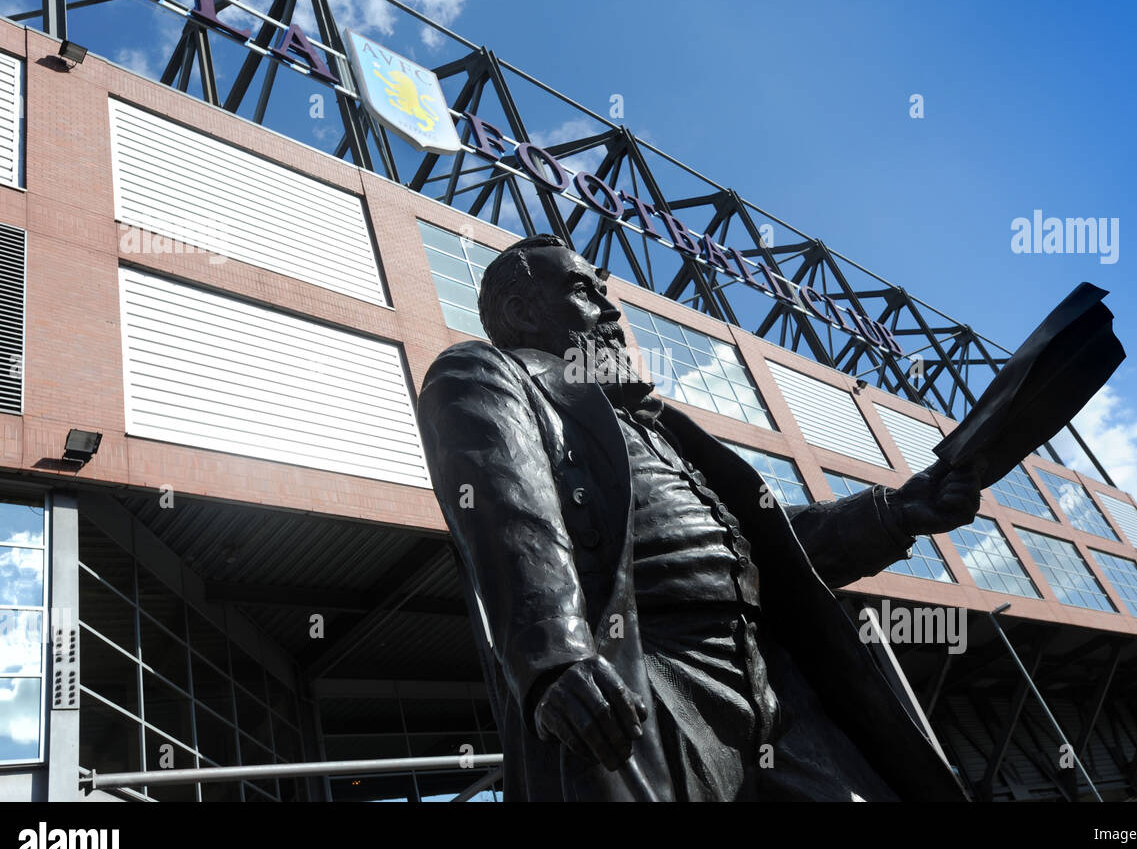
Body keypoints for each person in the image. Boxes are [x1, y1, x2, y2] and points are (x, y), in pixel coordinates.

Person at [416, 234, 982, 801]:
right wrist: (554, 657)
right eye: (584, 292)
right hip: (650, 669)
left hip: (772, 679)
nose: (612, 311)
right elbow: (512, 518)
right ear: (521, 311)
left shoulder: (660, 427)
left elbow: (767, 548)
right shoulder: (486, 374)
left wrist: (898, 513)